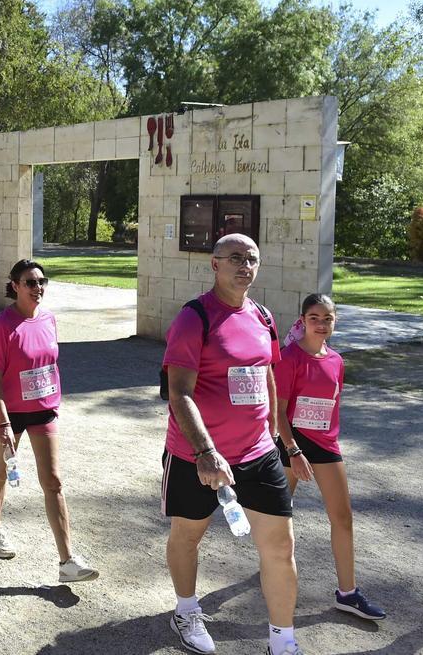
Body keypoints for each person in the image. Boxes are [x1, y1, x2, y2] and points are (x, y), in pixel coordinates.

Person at [162, 234, 301, 655]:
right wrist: (205, 453)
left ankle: (283, 639)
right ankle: (186, 611)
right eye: (235, 258)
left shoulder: (262, 315)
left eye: (252, 259)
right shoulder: (194, 317)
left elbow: (268, 374)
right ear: (215, 265)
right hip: (197, 457)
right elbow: (179, 392)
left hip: (258, 453)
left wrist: (278, 436)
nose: (245, 266)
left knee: (280, 546)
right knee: (188, 536)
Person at [0, 259, 98, 583]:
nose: (38, 288)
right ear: (14, 286)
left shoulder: (48, 319)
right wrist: (2, 422)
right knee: (2, 472)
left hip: (42, 408)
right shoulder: (3, 325)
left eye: (41, 281)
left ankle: (67, 561)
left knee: (54, 481)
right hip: (8, 413)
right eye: (30, 282)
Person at [272, 294, 385, 621]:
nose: (321, 324)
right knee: (280, 511)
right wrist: (293, 452)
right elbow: (279, 412)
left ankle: (347, 594)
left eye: (327, 318)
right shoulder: (289, 357)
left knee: (343, 517)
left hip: (325, 446)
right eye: (314, 318)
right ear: (303, 320)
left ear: (335, 321)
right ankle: (275, 565)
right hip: (292, 443)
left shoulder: (336, 360)